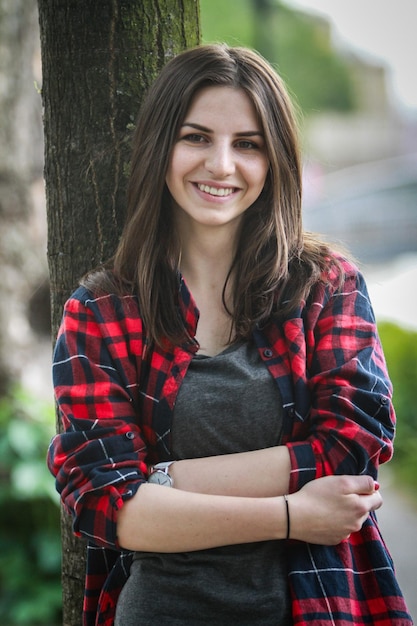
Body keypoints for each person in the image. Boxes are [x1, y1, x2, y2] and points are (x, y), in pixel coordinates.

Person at [48, 44, 412, 626]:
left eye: (247, 144)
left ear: (275, 162)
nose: (221, 164)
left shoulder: (325, 286)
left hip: (317, 605)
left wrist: (161, 482)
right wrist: (292, 514)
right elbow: (107, 507)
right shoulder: (101, 311)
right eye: (196, 137)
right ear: (160, 148)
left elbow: (354, 444)